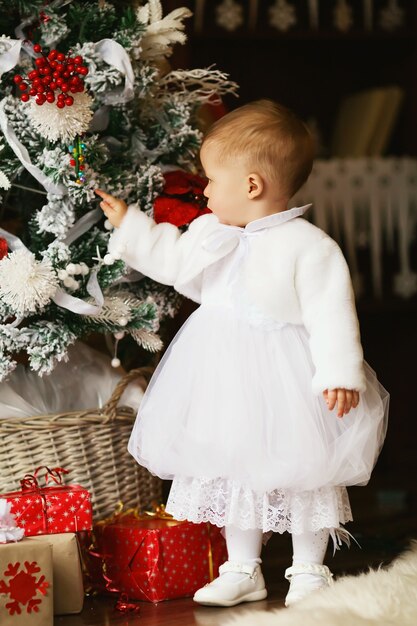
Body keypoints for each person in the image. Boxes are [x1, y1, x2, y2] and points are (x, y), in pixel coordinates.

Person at [95, 99, 388, 608]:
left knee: (303, 467)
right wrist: (132, 226)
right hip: (224, 372)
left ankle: (309, 570)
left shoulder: (307, 245)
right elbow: (173, 260)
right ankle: (242, 566)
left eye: (210, 179)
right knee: (233, 464)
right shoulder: (212, 234)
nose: (204, 189)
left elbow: (331, 312)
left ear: (252, 186)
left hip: (288, 374)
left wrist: (339, 371)